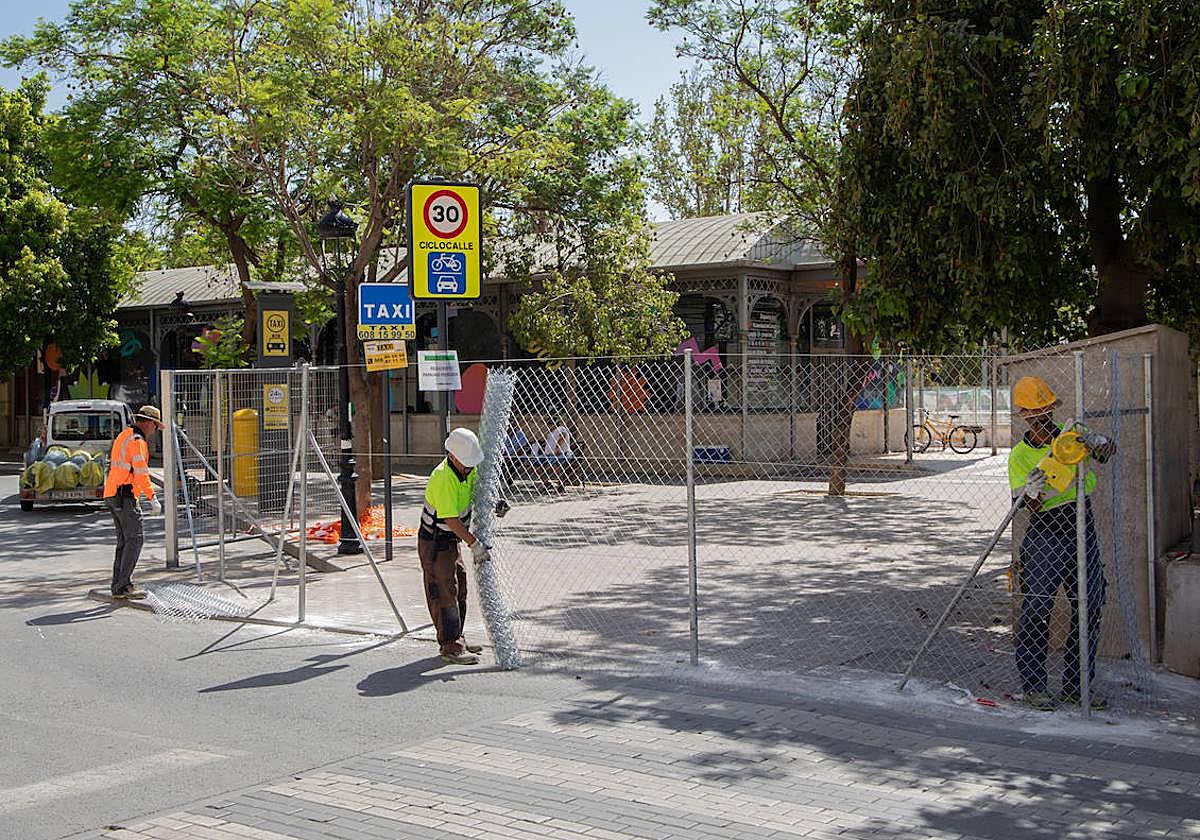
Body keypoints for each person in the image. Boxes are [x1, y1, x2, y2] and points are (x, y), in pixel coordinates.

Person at [1008, 376, 1115, 711]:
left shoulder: (1071, 437)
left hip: (1082, 526)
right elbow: (1028, 507)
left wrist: (1099, 442)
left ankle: (1076, 685)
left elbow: (1106, 453)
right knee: (1038, 609)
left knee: (1090, 605)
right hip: (1046, 534)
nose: (1041, 416)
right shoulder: (1020, 456)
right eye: (1034, 411)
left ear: (1052, 409)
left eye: (1045, 409)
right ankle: (1034, 686)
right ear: (1023, 414)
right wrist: (1032, 491)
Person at [418, 428, 491, 665]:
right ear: (453, 456)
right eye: (467, 464)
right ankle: (450, 646)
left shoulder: (467, 469)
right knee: (444, 591)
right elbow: (450, 519)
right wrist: (474, 544)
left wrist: (496, 503)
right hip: (435, 542)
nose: (470, 468)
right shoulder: (443, 477)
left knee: (460, 586)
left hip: (449, 541)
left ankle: (457, 638)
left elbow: (479, 492)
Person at [102, 405, 164, 599]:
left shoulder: (124, 435)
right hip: (125, 495)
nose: (155, 430)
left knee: (124, 541)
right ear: (148, 423)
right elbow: (141, 473)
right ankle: (123, 585)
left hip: (113, 493)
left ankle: (118, 585)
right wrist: (152, 498)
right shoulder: (137, 441)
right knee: (135, 539)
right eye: (155, 425)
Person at [534, 418, 573, 491]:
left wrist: (557, 448)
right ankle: (546, 483)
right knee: (535, 463)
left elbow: (563, 436)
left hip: (562, 453)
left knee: (553, 464)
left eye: (550, 424)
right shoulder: (550, 433)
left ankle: (561, 483)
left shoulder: (560, 429)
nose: (548, 426)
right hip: (549, 455)